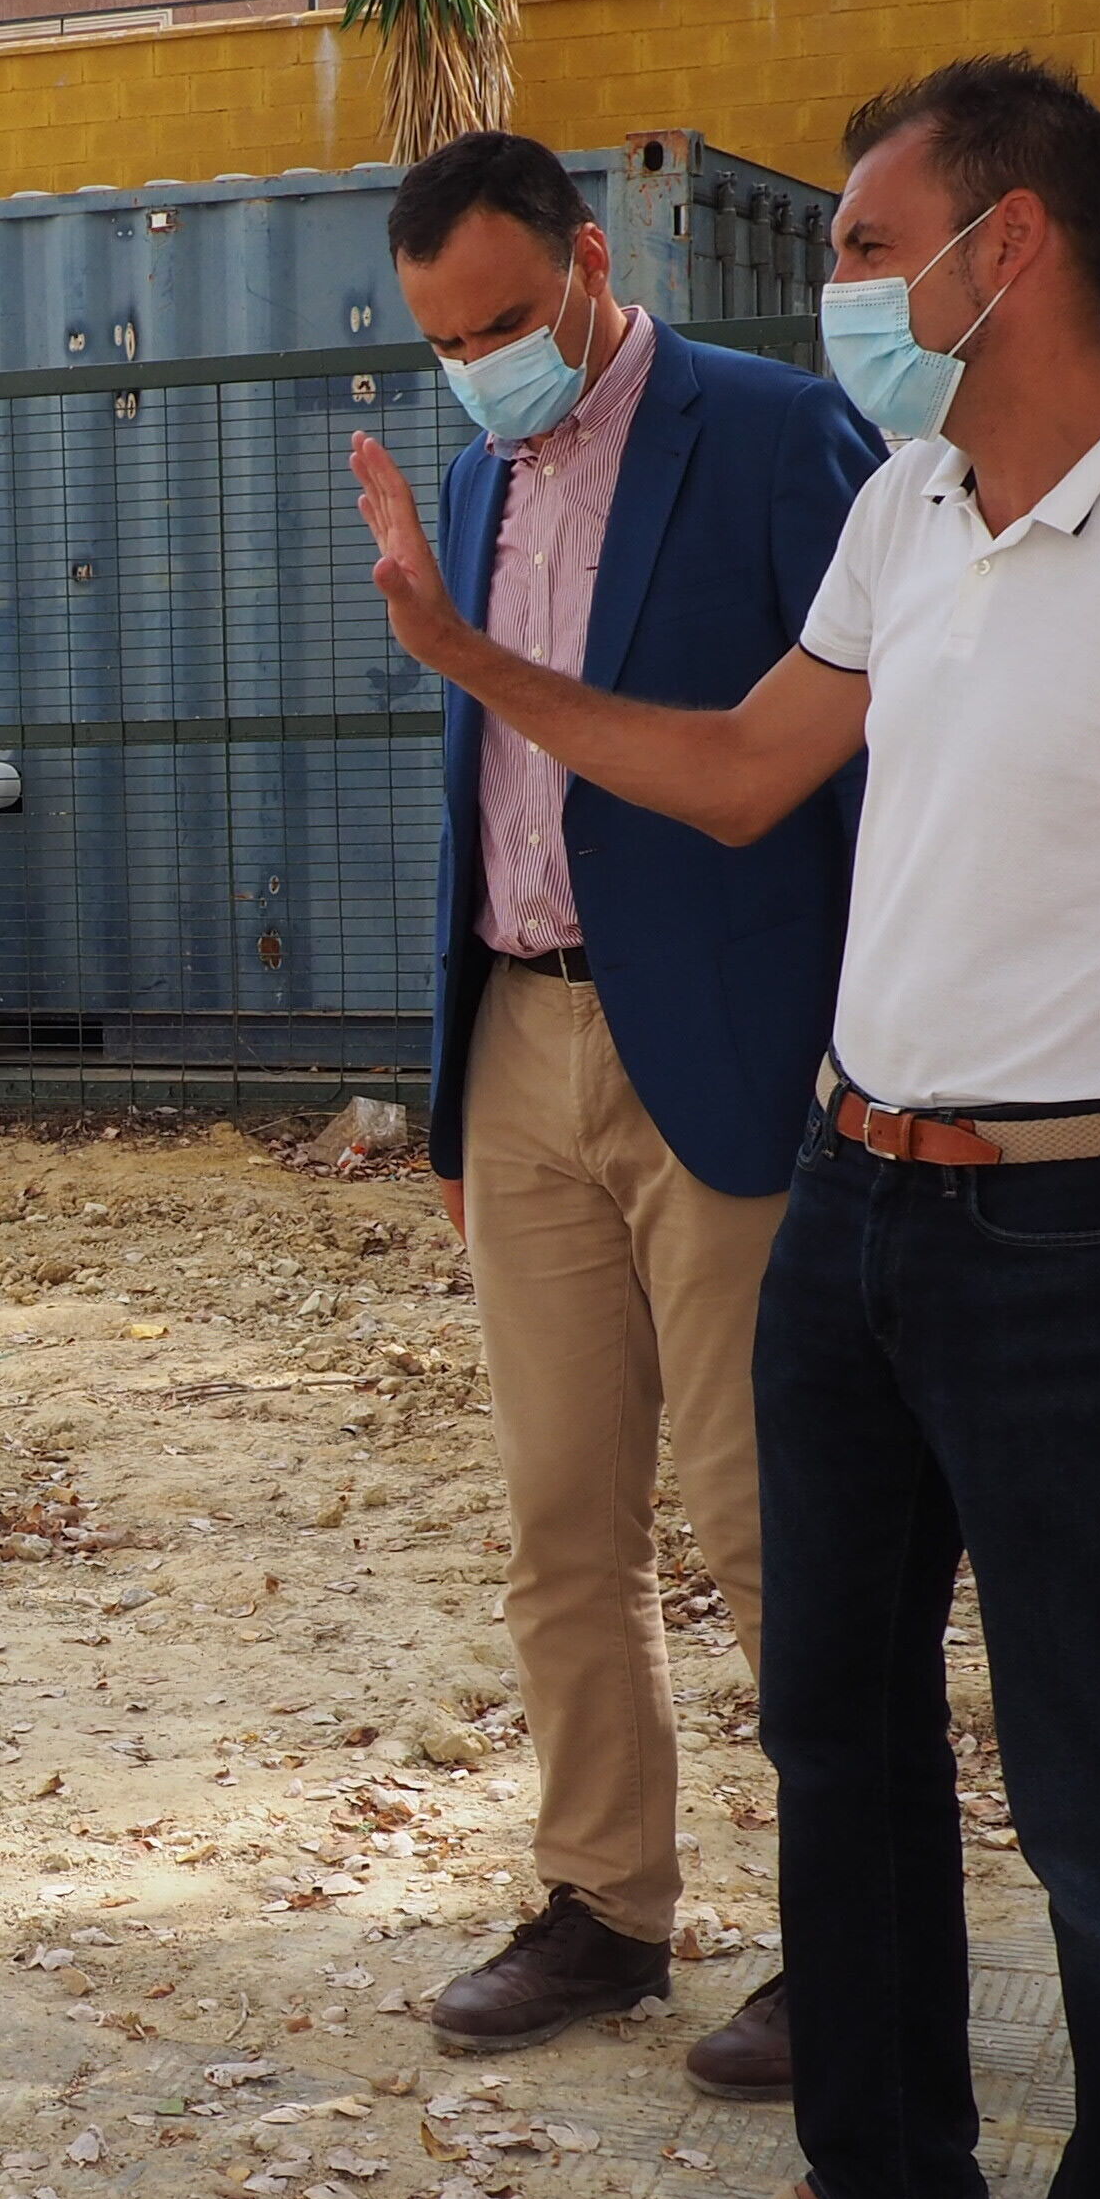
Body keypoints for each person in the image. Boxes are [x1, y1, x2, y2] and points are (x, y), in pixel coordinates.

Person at [347, 55, 1100, 2199]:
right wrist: (475, 664)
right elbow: (742, 774)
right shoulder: (918, 504)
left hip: (1071, 1220)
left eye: (860, 243)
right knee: (830, 1714)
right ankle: (886, 2171)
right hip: (846, 1189)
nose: (838, 287)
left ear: (1003, 247)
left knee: (1096, 1777)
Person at [381, 130, 886, 2089]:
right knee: (560, 1520)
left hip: (737, 1054)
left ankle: (854, 1943)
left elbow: (857, 763)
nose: (481, 362)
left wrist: (853, 1040)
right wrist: (454, 1098)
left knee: (778, 1530)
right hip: (521, 1043)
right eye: (442, 339)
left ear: (593, 265)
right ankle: (605, 1905)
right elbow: (486, 785)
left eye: (507, 319)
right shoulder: (470, 468)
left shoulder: (774, 439)